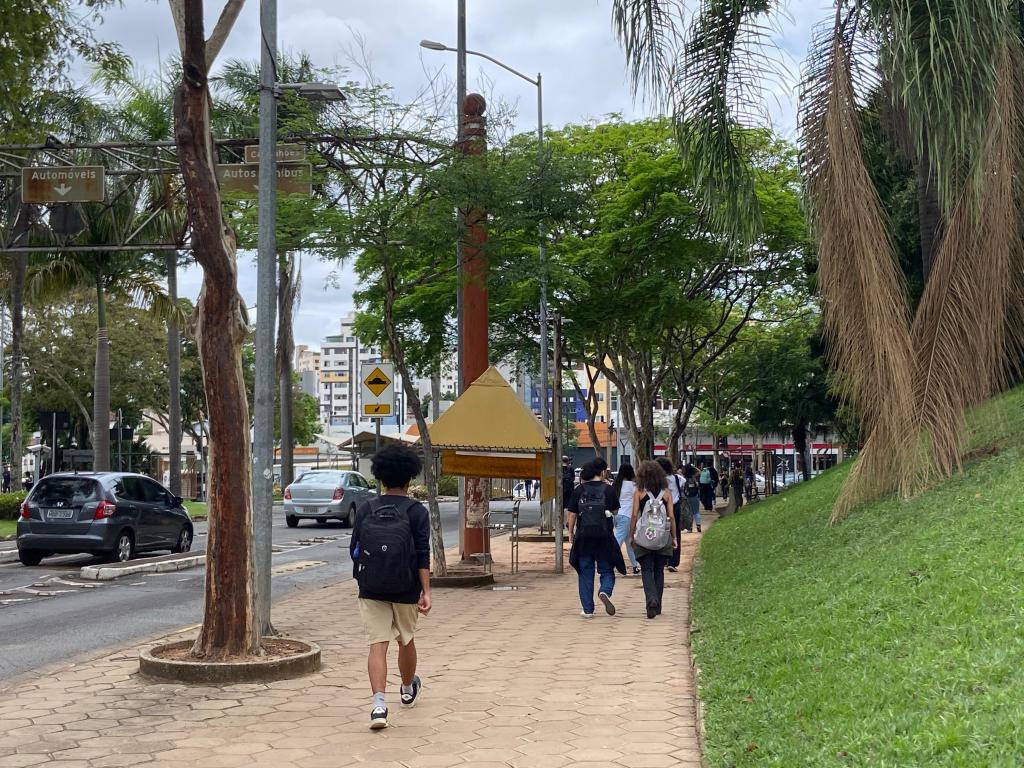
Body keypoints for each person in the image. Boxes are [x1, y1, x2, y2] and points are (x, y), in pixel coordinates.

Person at [350, 445, 432, 730]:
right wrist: (426, 591)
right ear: (409, 479)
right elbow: (423, 554)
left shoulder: (366, 509)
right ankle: (408, 688)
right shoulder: (417, 512)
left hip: (371, 587)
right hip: (406, 587)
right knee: (405, 640)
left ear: (381, 478)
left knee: (377, 644)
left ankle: (378, 705)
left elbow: (355, 551)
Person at [568, 460, 625, 618]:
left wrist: (571, 532)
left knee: (585, 571)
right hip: (604, 536)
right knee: (607, 569)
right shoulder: (608, 489)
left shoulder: (579, 490)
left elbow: (572, 513)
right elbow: (615, 510)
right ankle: (604, 591)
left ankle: (587, 610)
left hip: (584, 537)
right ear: (600, 473)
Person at [628, 460, 678, 619]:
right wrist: (674, 537)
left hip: (644, 537)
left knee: (647, 569)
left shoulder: (639, 492)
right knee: (659, 570)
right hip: (663, 537)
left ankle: (651, 599)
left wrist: (631, 535)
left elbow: (635, 515)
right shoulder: (667, 493)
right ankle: (658, 605)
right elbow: (671, 517)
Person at [656, 457, 684, 572]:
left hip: (661, 507)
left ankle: (662, 559)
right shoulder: (678, 478)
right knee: (675, 533)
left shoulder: (657, 480)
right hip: (675, 507)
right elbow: (683, 483)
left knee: (660, 533)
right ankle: (673, 561)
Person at [611, 464, 640, 575]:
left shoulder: (616, 484)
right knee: (619, 541)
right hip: (626, 515)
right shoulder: (633, 485)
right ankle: (609, 563)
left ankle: (635, 566)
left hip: (616, 514)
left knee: (629, 541)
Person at [680, 462, 702, 534]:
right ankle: (698, 526)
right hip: (695, 496)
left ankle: (690, 528)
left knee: (689, 513)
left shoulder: (682, 478)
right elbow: (699, 471)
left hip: (686, 497)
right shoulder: (694, 477)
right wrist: (693, 468)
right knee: (696, 512)